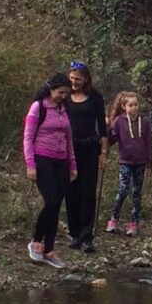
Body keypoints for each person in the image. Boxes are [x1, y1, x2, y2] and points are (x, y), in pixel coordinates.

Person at [24, 73, 78, 269]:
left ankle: (49, 249)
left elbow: (69, 139)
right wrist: (30, 165)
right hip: (42, 158)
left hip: (61, 160)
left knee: (57, 206)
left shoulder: (65, 109)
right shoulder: (38, 107)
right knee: (51, 200)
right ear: (51, 90)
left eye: (67, 93)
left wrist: (72, 165)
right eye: (61, 92)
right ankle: (36, 241)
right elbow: (28, 137)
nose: (64, 96)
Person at [65, 61, 107, 253]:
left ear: (86, 79)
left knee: (87, 192)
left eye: (78, 79)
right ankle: (74, 234)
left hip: (90, 148)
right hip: (69, 149)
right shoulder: (65, 96)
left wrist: (104, 153)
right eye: (72, 78)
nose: (74, 82)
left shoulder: (95, 97)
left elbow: (103, 127)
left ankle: (86, 236)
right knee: (71, 192)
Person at [106, 92, 152, 237]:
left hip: (140, 162)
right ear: (124, 106)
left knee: (136, 193)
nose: (133, 108)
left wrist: (149, 163)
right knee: (123, 190)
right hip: (125, 162)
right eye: (130, 105)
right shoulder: (119, 121)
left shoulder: (144, 121)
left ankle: (133, 222)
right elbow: (112, 139)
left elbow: (149, 143)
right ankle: (114, 219)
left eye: (135, 105)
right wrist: (107, 127)